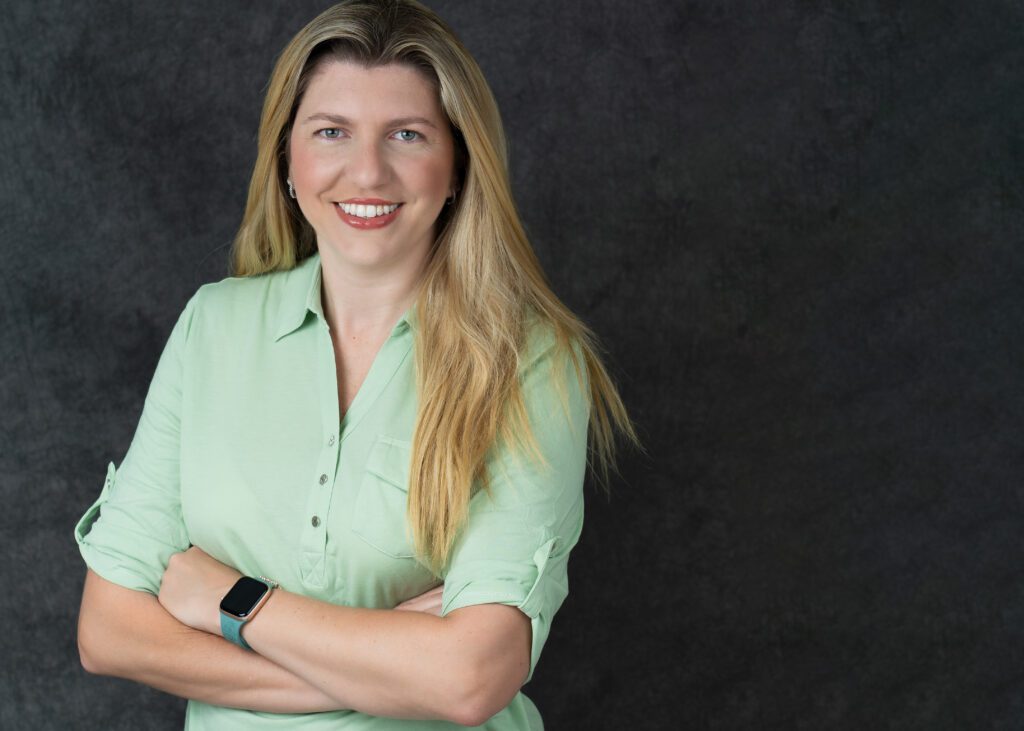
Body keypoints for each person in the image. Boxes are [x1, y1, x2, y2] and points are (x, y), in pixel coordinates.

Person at [74, 1, 638, 728]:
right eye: (331, 132)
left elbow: (470, 678)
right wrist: (397, 666)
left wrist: (234, 601)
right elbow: (110, 629)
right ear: (287, 159)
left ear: (459, 163)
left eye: (407, 134)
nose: (367, 171)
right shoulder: (212, 326)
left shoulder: (530, 360)